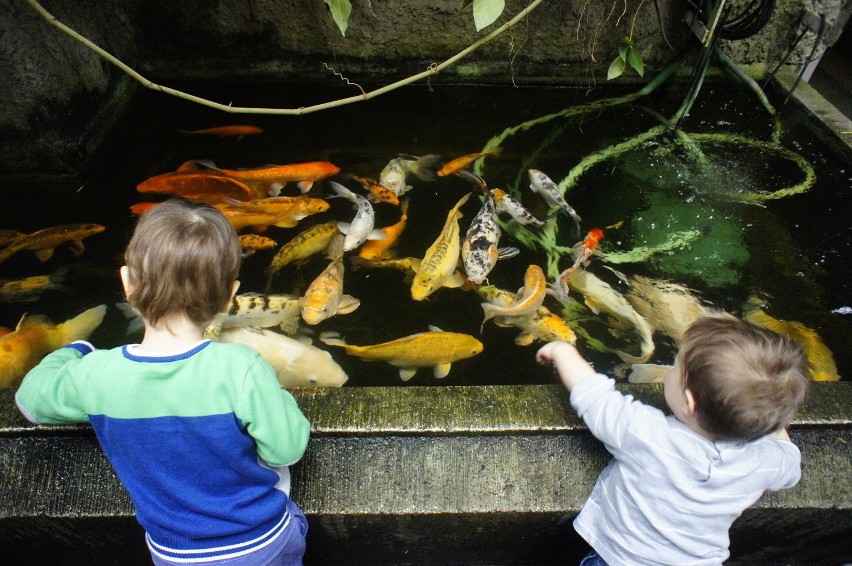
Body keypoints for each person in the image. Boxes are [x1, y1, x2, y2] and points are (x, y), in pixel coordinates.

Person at [16, 198, 312, 565]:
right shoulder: (241, 368)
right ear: (230, 295)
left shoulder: (95, 375)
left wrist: (73, 351)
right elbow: (286, 449)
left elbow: (29, 400)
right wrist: (282, 402)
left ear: (127, 283)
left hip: (173, 552)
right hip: (261, 542)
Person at [536, 313, 809, 566]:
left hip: (619, 558)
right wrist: (769, 414)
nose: (670, 369)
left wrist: (563, 352)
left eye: (676, 366)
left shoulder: (651, 436)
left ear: (689, 402)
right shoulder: (765, 462)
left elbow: (594, 397)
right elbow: (790, 462)